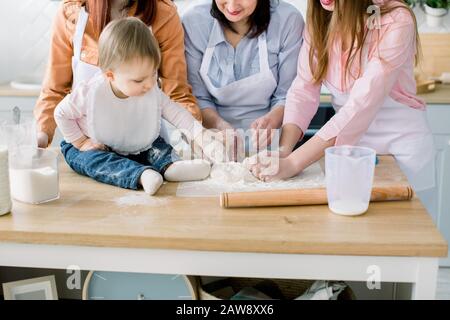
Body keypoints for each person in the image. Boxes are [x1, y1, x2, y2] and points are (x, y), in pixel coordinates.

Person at [248, 0, 436, 213]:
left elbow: (362, 104)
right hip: (351, 154)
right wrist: (284, 150)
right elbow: (303, 90)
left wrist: (294, 163)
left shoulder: (396, 20)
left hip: (403, 153)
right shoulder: (321, 19)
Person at [54, 18, 223, 195]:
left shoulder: (150, 90)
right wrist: (81, 142)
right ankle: (140, 175)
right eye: (139, 80)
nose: (149, 84)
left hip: (137, 142)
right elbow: (61, 113)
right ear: (110, 75)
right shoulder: (89, 93)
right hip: (97, 146)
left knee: (157, 146)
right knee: (89, 160)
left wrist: (201, 134)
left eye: (153, 74)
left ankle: (171, 166)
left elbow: (178, 115)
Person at [35, 0, 201, 148]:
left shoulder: (164, 13)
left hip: (143, 141)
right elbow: (54, 90)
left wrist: (197, 138)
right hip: (94, 146)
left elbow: (177, 93)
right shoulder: (71, 13)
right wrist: (41, 137)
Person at [183, 0, 304, 153]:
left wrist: (272, 119)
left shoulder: (288, 20)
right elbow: (196, 97)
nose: (232, 6)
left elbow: (290, 95)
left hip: (271, 144)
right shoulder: (193, 21)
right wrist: (219, 126)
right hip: (210, 142)